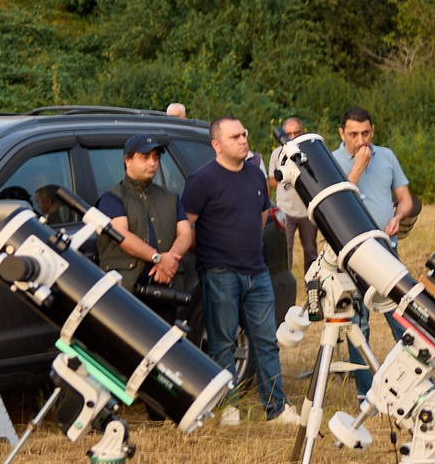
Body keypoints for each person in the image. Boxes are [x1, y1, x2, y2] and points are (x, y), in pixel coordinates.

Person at [164, 116, 285, 423]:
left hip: (256, 271)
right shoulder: (202, 179)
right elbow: (187, 225)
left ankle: (277, 408)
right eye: (235, 137)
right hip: (219, 273)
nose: (244, 140)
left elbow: (260, 218)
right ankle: (226, 407)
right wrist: (211, 255)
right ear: (217, 145)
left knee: (266, 340)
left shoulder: (256, 176)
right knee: (222, 342)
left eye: (244, 134)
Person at [328, 107, 416, 396]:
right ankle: (366, 392)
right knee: (358, 325)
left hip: (386, 247)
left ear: (373, 130)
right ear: (342, 134)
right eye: (353, 134)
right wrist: (358, 167)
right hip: (352, 252)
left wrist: (398, 215)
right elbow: (336, 202)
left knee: (402, 317)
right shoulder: (330, 160)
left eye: (365, 133)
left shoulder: (387, 156)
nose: (360, 140)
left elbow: (404, 198)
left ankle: (411, 383)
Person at [94, 134, 181, 299]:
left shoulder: (171, 198)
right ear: (128, 160)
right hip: (126, 291)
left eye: (156, 158)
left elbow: (185, 233)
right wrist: (157, 258)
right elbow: (120, 235)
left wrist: (169, 262)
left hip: (167, 287)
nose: (152, 163)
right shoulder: (113, 198)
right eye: (144, 157)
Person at [272, 117, 318, 275]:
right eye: (288, 133)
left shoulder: (311, 154)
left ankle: (311, 286)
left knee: (311, 251)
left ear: (303, 132)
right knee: (285, 251)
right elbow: (273, 180)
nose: (292, 137)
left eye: (296, 133)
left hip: (307, 211)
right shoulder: (276, 153)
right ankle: (286, 284)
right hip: (285, 210)